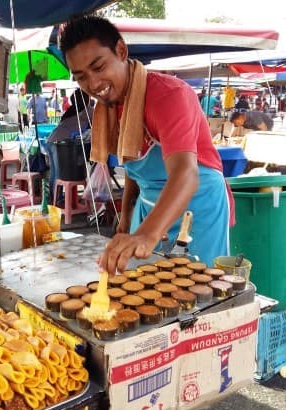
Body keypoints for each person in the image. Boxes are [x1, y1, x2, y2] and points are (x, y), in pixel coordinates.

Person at [60, 15, 233, 299]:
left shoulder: (168, 96)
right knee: (148, 293)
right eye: (81, 77)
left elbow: (185, 174)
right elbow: (135, 167)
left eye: (99, 67)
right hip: (149, 206)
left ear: (121, 51)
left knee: (199, 297)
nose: (93, 83)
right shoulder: (111, 106)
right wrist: (127, 218)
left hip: (197, 206)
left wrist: (146, 234)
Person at [45, 88, 94, 201]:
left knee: (55, 172)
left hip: (52, 140)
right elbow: (97, 124)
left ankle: (54, 198)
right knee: (57, 173)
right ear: (86, 99)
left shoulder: (71, 110)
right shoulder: (87, 111)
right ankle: (55, 199)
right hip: (59, 142)